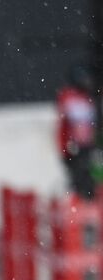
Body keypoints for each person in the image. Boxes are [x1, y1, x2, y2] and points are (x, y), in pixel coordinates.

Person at [56, 65, 98, 199]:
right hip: (74, 147)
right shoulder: (69, 97)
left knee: (90, 180)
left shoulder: (87, 98)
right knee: (79, 182)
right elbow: (69, 123)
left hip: (87, 146)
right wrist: (66, 148)